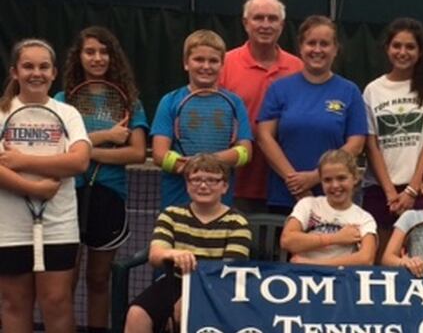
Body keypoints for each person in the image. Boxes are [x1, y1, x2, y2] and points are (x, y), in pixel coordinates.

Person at [55, 26, 149, 333]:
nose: (97, 58)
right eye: (90, 51)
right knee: (64, 280)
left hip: (110, 195)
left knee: (98, 279)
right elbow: (59, 147)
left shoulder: (130, 102)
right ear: (78, 57)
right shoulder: (61, 100)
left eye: (104, 51)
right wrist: (106, 138)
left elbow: (136, 153)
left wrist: (85, 151)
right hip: (67, 194)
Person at [0, 39, 91, 333]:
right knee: (15, 303)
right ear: (15, 72)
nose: (35, 73)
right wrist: (36, 190)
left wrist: (21, 161)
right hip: (8, 226)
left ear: (54, 73)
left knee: (57, 302)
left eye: (43, 67)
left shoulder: (68, 114)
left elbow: (78, 162)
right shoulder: (2, 114)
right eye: (28, 66)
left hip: (59, 224)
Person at [124, 153, 252, 333]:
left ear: (224, 186)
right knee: (136, 314)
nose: (203, 185)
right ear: (187, 184)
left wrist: (190, 297)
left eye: (212, 180)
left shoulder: (238, 222)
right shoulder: (170, 214)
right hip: (173, 282)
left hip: (218, 287)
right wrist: (172, 254)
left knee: (186, 313)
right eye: (196, 179)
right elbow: (155, 255)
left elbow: (229, 270)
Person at [362, 17, 423, 261]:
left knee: (420, 260)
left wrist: (412, 190)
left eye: (410, 47)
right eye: (397, 46)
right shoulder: (372, 90)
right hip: (379, 192)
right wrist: (390, 192)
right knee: (380, 260)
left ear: (420, 51)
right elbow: (372, 146)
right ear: (387, 48)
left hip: (421, 191)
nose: (403, 52)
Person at [257, 15, 367, 213]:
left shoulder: (349, 91)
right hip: (285, 196)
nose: (317, 50)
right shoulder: (279, 88)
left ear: (335, 49)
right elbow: (264, 137)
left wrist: (317, 176)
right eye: (311, 43)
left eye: (324, 44)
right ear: (301, 47)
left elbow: (356, 144)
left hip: (334, 198)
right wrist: (295, 183)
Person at [219, 0, 303, 214]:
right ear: (246, 23)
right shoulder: (224, 64)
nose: (265, 25)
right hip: (234, 186)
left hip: (285, 187)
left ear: (282, 25)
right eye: (258, 18)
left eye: (272, 19)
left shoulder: (299, 69)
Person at [150, 29, 254, 209]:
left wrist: (204, 163)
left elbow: (245, 152)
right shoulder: (169, 101)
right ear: (186, 63)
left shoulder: (235, 103)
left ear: (222, 65)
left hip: (220, 204)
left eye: (213, 61)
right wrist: (192, 168)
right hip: (176, 201)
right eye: (199, 59)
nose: (206, 66)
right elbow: (159, 154)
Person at [280, 149, 377, 265]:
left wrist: (315, 264)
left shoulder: (364, 218)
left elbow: (366, 258)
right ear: (321, 181)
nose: (335, 185)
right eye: (327, 180)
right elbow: (287, 240)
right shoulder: (308, 205)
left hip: (341, 277)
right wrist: (335, 238)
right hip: (304, 276)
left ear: (355, 178)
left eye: (341, 178)